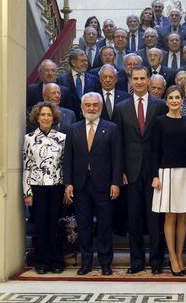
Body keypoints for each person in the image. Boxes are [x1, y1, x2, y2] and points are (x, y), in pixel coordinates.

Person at [112, 65, 168, 274]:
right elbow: (118, 143)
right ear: (130, 81)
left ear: (149, 80)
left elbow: (163, 141)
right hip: (131, 171)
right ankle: (136, 261)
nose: (139, 82)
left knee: (155, 219)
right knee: (134, 219)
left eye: (142, 78)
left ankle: (156, 261)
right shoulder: (120, 108)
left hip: (155, 172)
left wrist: (160, 171)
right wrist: (120, 172)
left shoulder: (160, 105)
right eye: (135, 78)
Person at [63, 92, 122, 276]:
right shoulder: (73, 129)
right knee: (83, 225)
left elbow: (117, 158)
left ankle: (105, 263)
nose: (91, 108)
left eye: (95, 105)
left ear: (101, 107)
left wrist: (116, 182)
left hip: (104, 185)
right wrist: (68, 183)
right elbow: (68, 159)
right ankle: (86, 262)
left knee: (105, 225)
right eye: (87, 105)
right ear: (81, 108)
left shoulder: (111, 128)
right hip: (80, 185)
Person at [151, 85, 186, 276]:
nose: (174, 101)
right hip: (166, 173)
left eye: (177, 97)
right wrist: (155, 175)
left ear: (181, 100)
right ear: (166, 100)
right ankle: (172, 257)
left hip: (185, 172)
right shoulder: (159, 122)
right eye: (171, 98)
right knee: (170, 216)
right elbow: (154, 150)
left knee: (183, 217)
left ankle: (180, 256)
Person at [23, 101, 66, 274]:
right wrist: (27, 192)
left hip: (57, 187)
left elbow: (65, 164)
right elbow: (26, 165)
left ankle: (56, 260)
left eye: (49, 114)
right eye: (43, 115)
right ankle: (41, 261)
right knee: (40, 225)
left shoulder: (62, 138)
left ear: (53, 117)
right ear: (37, 117)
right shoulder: (29, 138)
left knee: (55, 224)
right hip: (37, 187)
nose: (46, 117)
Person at [57, 49, 99, 120]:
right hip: (69, 119)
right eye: (82, 61)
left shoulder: (93, 79)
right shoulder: (62, 80)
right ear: (73, 62)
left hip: (89, 118)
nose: (86, 63)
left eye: (86, 61)